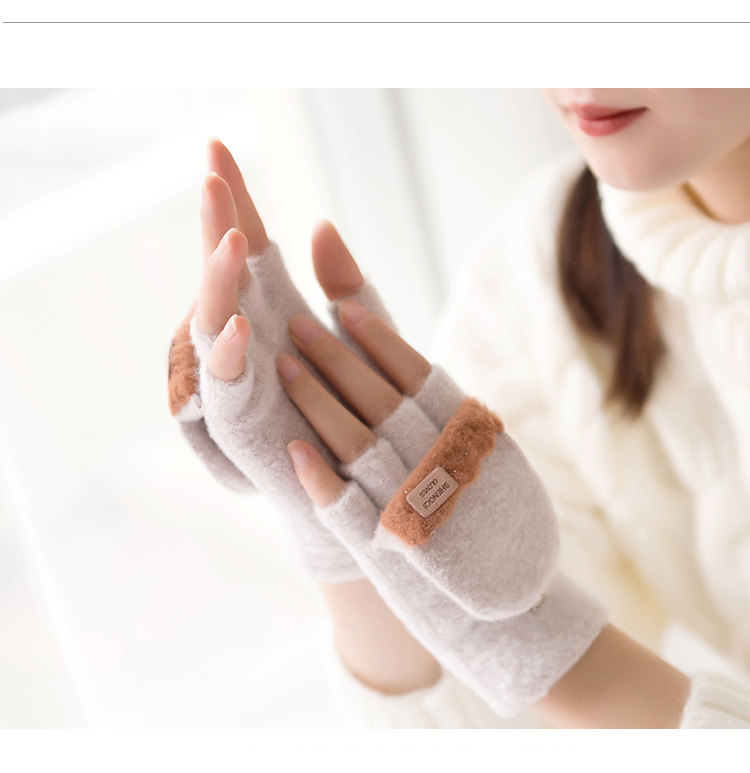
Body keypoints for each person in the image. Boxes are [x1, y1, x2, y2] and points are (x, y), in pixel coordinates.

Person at [167, 89, 750, 728]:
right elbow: (495, 728)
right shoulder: (542, 262)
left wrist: (530, 648)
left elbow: (523, 654)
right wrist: (335, 528)